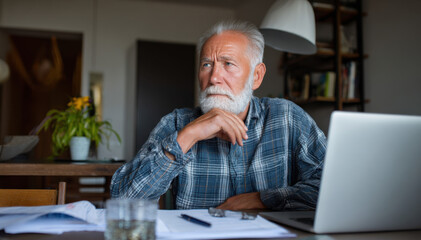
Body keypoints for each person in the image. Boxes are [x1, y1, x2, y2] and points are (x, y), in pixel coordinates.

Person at [111, 20, 326, 211]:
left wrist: (264, 199)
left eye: (228, 64)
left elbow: (332, 186)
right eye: (207, 64)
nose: (214, 77)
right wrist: (187, 137)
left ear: (256, 76)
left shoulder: (287, 117)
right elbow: (122, 201)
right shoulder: (176, 123)